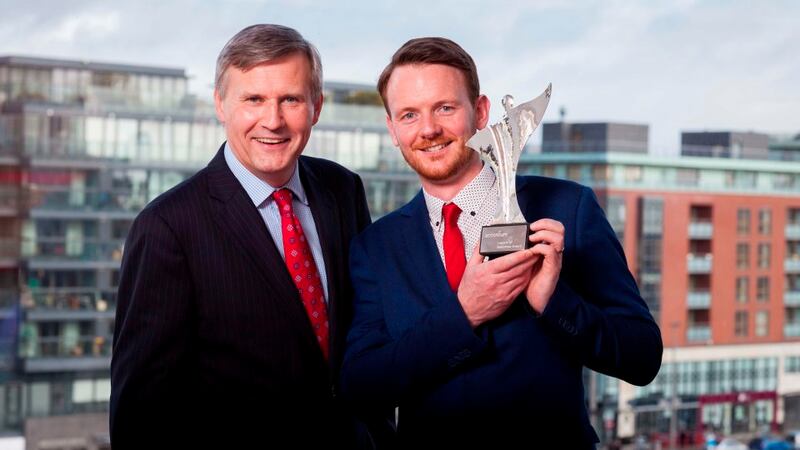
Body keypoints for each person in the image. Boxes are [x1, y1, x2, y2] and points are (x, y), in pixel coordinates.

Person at [340, 37, 663, 448]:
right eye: (409, 115)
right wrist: (464, 314)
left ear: (480, 112)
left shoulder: (568, 207)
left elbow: (642, 357)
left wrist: (552, 301)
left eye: (445, 107)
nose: (428, 130)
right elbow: (361, 386)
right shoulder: (376, 246)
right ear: (392, 129)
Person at [110, 24, 381, 448]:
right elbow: (140, 418)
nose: (272, 121)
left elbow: (369, 329)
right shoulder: (167, 227)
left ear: (317, 106)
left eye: (290, 99)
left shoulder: (342, 189)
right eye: (253, 99)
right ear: (221, 104)